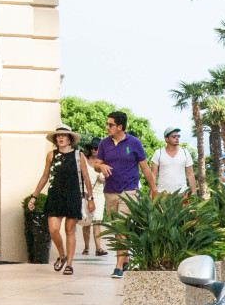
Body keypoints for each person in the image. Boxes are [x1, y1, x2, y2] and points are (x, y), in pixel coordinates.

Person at [91, 110, 153, 278]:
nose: (107, 127)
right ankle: (125, 259)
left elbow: (145, 168)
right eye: (107, 124)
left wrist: (153, 189)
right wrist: (101, 167)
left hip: (129, 190)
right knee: (117, 229)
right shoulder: (104, 143)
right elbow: (96, 164)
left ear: (120, 126)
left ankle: (118, 265)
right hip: (110, 192)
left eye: (110, 124)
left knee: (122, 227)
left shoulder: (134, 143)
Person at [30, 125, 91, 276]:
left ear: (70, 138)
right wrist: (34, 196)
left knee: (70, 230)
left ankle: (69, 264)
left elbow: (86, 177)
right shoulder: (51, 155)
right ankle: (62, 255)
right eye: (58, 136)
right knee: (53, 230)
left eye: (64, 135)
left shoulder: (79, 155)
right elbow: (45, 176)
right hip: (55, 196)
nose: (61, 138)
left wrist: (90, 198)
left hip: (72, 196)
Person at [151, 126, 198, 198]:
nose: (177, 138)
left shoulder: (185, 153)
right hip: (163, 194)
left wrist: (194, 192)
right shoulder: (158, 153)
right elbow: (153, 174)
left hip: (181, 194)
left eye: (178, 136)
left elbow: (190, 174)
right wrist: (152, 192)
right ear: (166, 139)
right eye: (173, 136)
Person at [79, 141, 107, 256]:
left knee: (97, 221)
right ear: (90, 149)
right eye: (93, 148)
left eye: (98, 148)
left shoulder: (104, 163)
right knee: (86, 222)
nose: (95, 150)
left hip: (99, 194)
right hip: (86, 193)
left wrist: (104, 179)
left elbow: (111, 177)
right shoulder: (84, 160)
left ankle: (98, 248)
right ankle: (86, 247)